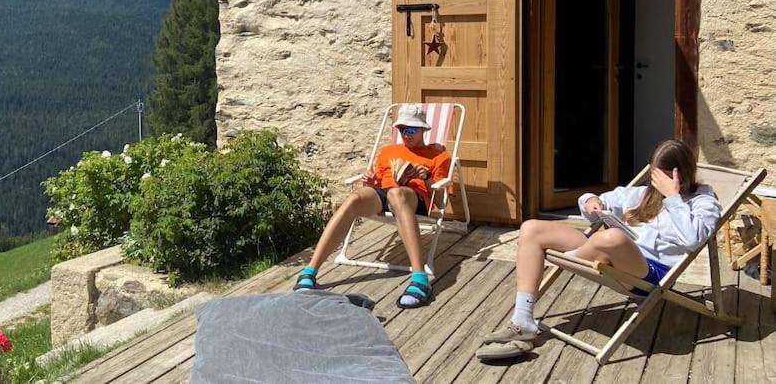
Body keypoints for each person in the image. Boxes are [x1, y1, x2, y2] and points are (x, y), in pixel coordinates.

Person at [478, 139, 721, 359]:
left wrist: (673, 197)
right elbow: (594, 199)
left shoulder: (703, 203)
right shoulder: (642, 194)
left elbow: (692, 240)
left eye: (662, 177)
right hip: (603, 253)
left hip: (647, 271)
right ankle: (522, 321)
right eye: (654, 175)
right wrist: (592, 202)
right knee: (531, 228)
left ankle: (570, 258)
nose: (656, 182)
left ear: (681, 174)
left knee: (611, 237)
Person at [293, 104, 451, 308]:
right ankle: (310, 272)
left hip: (413, 199)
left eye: (411, 130)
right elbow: (378, 184)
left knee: (397, 193)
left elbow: (440, 202)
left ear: (423, 130)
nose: (406, 134)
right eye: (402, 129)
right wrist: (370, 180)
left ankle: (420, 279)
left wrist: (427, 177)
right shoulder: (388, 151)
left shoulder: (438, 156)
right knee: (354, 198)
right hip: (385, 194)